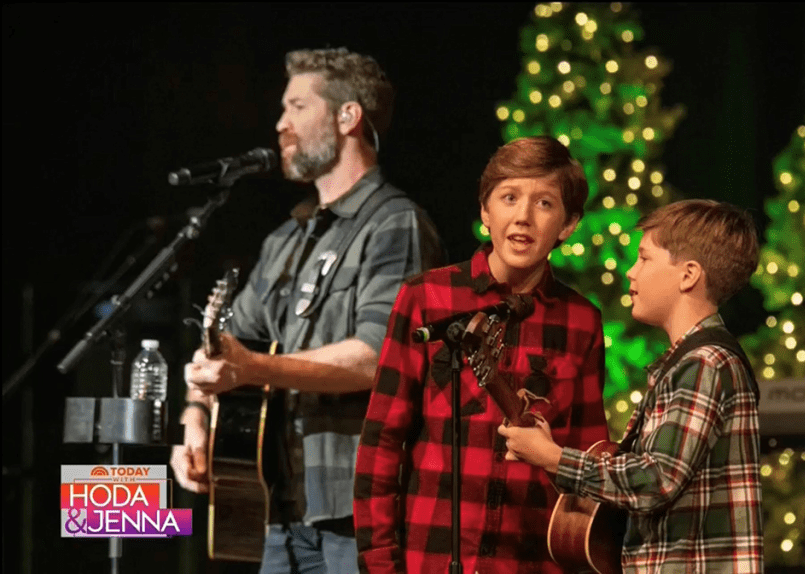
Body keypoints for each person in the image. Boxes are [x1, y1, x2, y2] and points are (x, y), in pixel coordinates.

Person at [170, 47, 444, 573]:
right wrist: (196, 416)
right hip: (278, 510)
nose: (280, 124)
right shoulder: (283, 241)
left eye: (297, 106)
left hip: (361, 516)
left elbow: (376, 359)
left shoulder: (395, 225)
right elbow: (230, 346)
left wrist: (251, 368)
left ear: (348, 116)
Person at [354, 136, 609, 573]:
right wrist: (379, 562)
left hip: (530, 561)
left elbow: (587, 456)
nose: (523, 217)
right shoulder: (426, 298)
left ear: (568, 225)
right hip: (429, 557)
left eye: (545, 204)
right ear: (486, 211)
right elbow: (382, 442)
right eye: (509, 198)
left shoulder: (581, 321)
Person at [499, 199, 764, 573]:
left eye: (644, 258)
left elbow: (657, 480)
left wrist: (553, 457)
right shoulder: (683, 363)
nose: (630, 272)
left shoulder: (706, 363)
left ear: (688, 275)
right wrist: (551, 452)